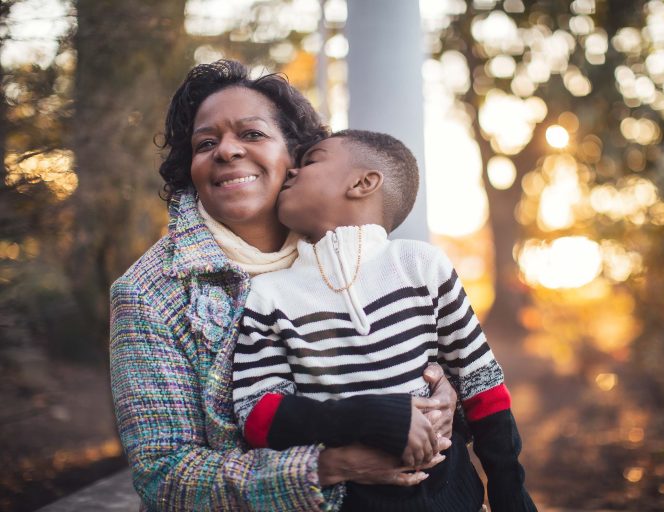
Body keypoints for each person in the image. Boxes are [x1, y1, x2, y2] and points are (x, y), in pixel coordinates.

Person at [109, 60, 458, 512]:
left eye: (251, 134)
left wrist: (445, 397)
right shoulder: (148, 294)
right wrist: (329, 467)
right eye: (205, 143)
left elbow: (415, 357)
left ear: (295, 156)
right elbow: (164, 476)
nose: (227, 151)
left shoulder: (352, 250)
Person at [232, 130, 537, 511]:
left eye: (311, 161)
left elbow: (482, 385)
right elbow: (256, 416)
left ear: (363, 182)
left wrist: (512, 495)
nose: (290, 171)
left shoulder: (421, 265)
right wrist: (368, 417)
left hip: (453, 497)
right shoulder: (270, 294)